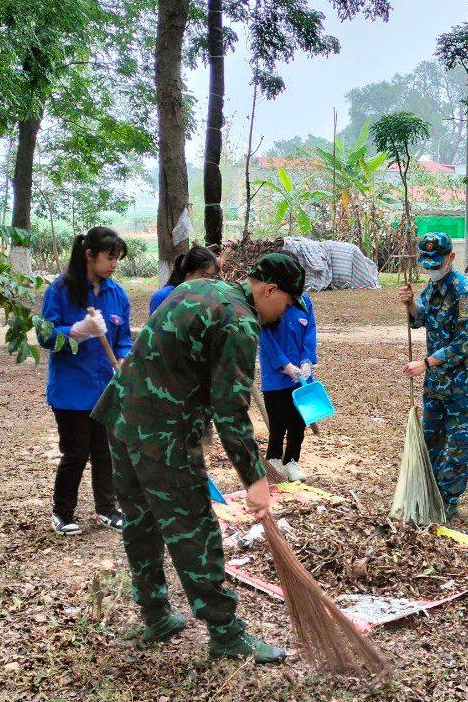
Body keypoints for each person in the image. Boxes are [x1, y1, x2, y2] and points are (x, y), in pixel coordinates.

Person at [91, 252, 308, 663]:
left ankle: (155, 614)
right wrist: (255, 479)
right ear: (270, 290)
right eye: (287, 302)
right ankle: (226, 634)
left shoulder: (197, 287)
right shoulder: (239, 321)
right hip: (162, 433)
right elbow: (230, 411)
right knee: (194, 529)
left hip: (121, 417)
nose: (284, 312)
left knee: (140, 522)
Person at [39, 226, 133, 536]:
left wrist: (122, 359)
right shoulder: (61, 290)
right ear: (89, 255)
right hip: (70, 391)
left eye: (117, 258)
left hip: (105, 388)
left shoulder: (117, 294)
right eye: (110, 257)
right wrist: (77, 330)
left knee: (105, 451)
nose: (114, 264)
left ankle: (106, 509)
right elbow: (45, 335)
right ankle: (62, 512)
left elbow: (123, 339)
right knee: (76, 452)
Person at [397, 232, 468, 520]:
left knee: (457, 443)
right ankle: (430, 491)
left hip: (462, 384)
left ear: (450, 258)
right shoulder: (432, 287)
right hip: (436, 382)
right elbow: (420, 317)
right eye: (428, 264)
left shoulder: (464, 291)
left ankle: (449, 499)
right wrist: (410, 303)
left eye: (437, 263)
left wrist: (425, 363)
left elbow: (464, 343)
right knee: (432, 438)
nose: (432, 269)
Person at [258, 274, 317, 483]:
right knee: (277, 421)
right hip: (275, 375)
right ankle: (273, 459)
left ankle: (292, 460)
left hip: (302, 377)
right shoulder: (268, 301)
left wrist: (307, 360)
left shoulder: (304, 301)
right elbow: (265, 337)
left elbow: (310, 332)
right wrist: (284, 364)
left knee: (298, 422)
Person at [148, 245, 220, 315]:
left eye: (211, 277)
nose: (208, 281)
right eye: (204, 275)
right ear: (188, 273)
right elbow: (155, 326)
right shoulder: (163, 296)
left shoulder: (208, 296)